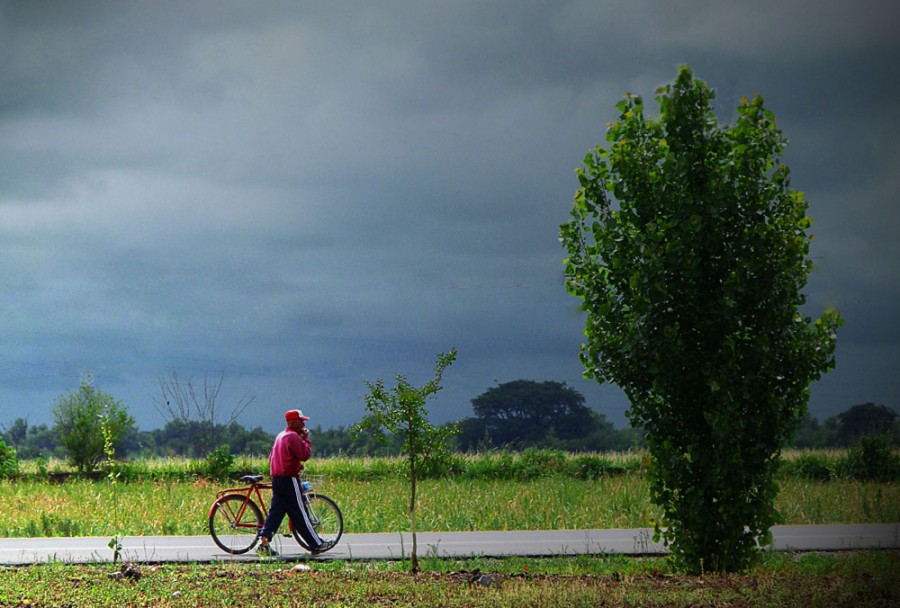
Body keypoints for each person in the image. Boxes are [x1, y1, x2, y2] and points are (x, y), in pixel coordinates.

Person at [257, 409, 325, 556]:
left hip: (277, 479)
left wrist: (293, 463)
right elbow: (304, 455)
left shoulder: (281, 436)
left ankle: (264, 542)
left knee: (276, 512)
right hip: (288, 479)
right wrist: (305, 438)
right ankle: (316, 544)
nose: (303, 423)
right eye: (301, 421)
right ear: (293, 422)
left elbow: (273, 458)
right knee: (299, 512)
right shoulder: (293, 437)